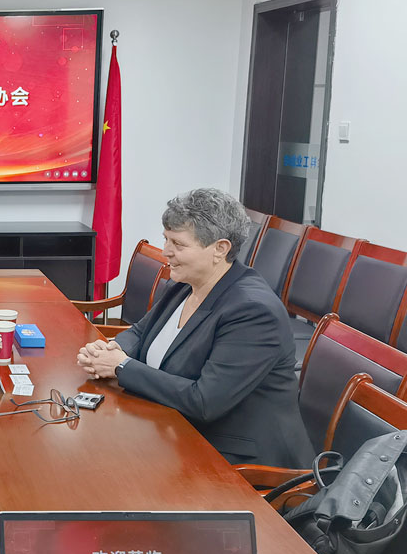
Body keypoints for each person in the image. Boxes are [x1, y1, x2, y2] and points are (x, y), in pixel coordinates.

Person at [76, 188, 313, 468]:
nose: (166, 251)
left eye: (178, 244)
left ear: (220, 249)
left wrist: (120, 366)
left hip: (237, 459)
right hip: (175, 429)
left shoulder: (253, 312)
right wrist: (111, 350)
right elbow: (140, 332)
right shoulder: (187, 284)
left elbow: (204, 401)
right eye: (166, 239)